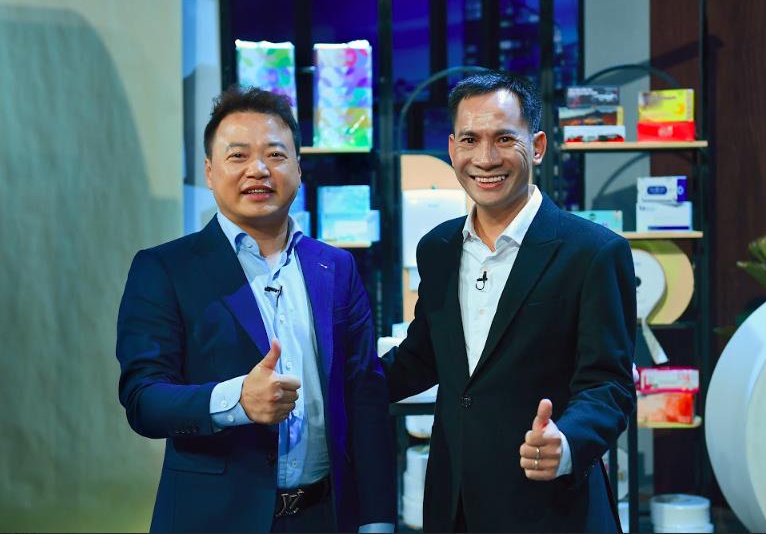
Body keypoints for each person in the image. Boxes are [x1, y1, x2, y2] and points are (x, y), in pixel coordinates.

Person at [117, 86, 395, 533]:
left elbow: (365, 396)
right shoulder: (165, 269)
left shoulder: (336, 267)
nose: (259, 170)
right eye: (238, 156)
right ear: (210, 172)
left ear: (298, 169)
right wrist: (237, 401)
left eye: (275, 155)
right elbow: (143, 400)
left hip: (323, 516)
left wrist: (377, 520)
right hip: (212, 520)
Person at [381, 70, 636, 533]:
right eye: (470, 140)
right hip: (454, 504)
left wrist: (568, 442)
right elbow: (423, 357)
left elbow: (609, 385)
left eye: (503, 139)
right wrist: (332, 382)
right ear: (452, 149)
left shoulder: (594, 252)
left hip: (551, 508)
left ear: (536, 146)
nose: (485, 158)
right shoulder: (437, 249)